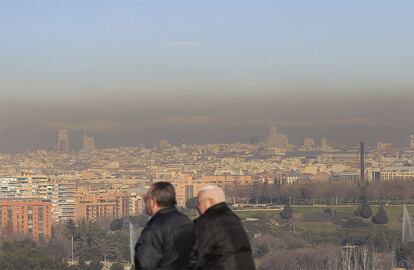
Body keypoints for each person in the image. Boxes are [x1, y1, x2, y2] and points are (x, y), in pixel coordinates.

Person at [190, 186, 256, 270]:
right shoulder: (234, 218)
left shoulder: (206, 222)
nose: (197, 206)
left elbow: (195, 257)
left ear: (210, 202)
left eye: (199, 202)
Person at [134, 182, 195, 270]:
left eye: (145, 199)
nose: (145, 203)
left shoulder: (155, 227)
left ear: (153, 201)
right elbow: (195, 258)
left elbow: (146, 263)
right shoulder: (187, 221)